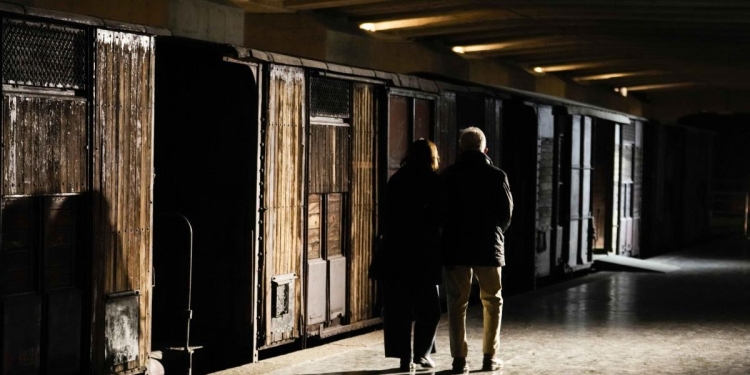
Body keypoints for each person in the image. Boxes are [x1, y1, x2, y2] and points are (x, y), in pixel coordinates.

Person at [441, 127, 513, 374]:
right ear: (486, 150)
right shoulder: (497, 176)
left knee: (457, 303)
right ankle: (489, 357)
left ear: (461, 149)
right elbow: (506, 214)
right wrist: (494, 233)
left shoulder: (448, 176)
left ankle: (459, 360)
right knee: (492, 301)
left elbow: (440, 213)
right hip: (488, 247)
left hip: (455, 247)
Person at [378, 139, 443, 371]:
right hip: (424, 253)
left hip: (395, 252)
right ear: (432, 158)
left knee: (399, 309)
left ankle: (404, 358)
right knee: (430, 309)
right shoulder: (434, 182)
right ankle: (421, 354)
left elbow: (385, 216)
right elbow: (439, 218)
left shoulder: (395, 180)